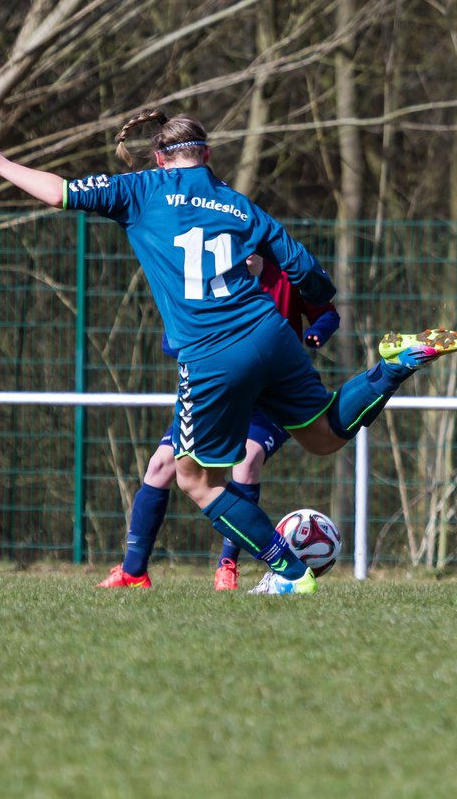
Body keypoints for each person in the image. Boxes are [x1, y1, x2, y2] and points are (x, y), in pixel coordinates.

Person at [0, 108, 457, 595]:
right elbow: (305, 269)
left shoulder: (139, 190)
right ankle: (392, 368)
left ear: (161, 160)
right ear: (206, 155)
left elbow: (59, 192)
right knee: (325, 436)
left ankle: (291, 573)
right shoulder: (239, 204)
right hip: (271, 333)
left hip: (210, 355)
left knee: (194, 480)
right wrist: (321, 297)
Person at [97, 252, 341, 591]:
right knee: (160, 465)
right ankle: (133, 571)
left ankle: (228, 565)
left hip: (271, 399)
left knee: (248, 459)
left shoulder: (285, 273)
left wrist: (316, 332)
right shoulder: (206, 279)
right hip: (219, 394)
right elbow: (175, 340)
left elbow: (326, 313)